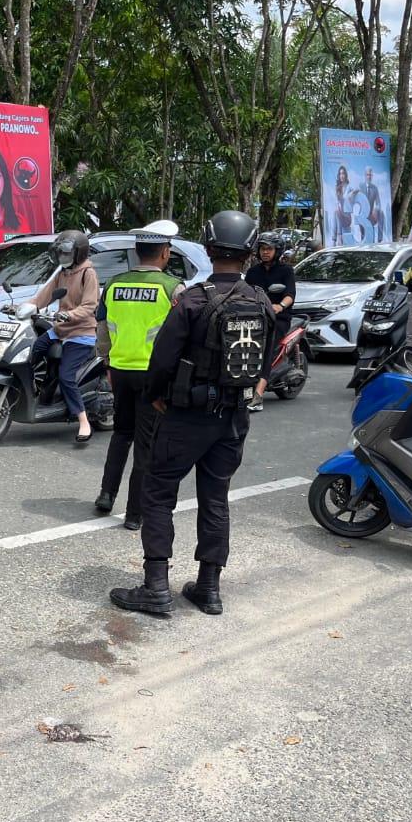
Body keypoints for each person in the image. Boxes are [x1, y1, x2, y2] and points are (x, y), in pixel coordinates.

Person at [110, 210, 275, 618]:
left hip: (187, 416)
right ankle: (209, 588)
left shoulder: (194, 300)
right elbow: (266, 361)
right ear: (251, 253)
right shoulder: (260, 302)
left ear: (207, 248)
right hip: (234, 417)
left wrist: (155, 397)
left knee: (158, 493)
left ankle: (155, 587)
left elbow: (162, 360)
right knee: (215, 499)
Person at [93, 225, 184, 525]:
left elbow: (102, 329)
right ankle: (134, 514)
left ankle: (106, 495)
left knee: (121, 434)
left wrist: (107, 362)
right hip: (151, 376)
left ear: (136, 252)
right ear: (164, 252)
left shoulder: (114, 284)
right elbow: (179, 338)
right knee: (146, 444)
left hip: (119, 370)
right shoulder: (173, 288)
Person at [15, 230, 100, 443]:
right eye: (60, 252)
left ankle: (83, 421)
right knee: (32, 350)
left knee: (66, 377)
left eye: (66, 253)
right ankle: (40, 391)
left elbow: (90, 305)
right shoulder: (63, 272)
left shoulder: (87, 273)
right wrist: (29, 306)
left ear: (78, 253)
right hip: (60, 330)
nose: (62, 256)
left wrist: (68, 314)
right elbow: (45, 294)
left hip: (81, 333)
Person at [244, 231, 297, 412]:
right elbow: (245, 293)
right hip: (255, 317)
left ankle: (258, 395)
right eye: (262, 249)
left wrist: (280, 306)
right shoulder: (252, 272)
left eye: (269, 249)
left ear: (277, 251)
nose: (265, 252)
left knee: (265, 349)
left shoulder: (286, 271)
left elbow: (290, 295)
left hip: (278, 319)